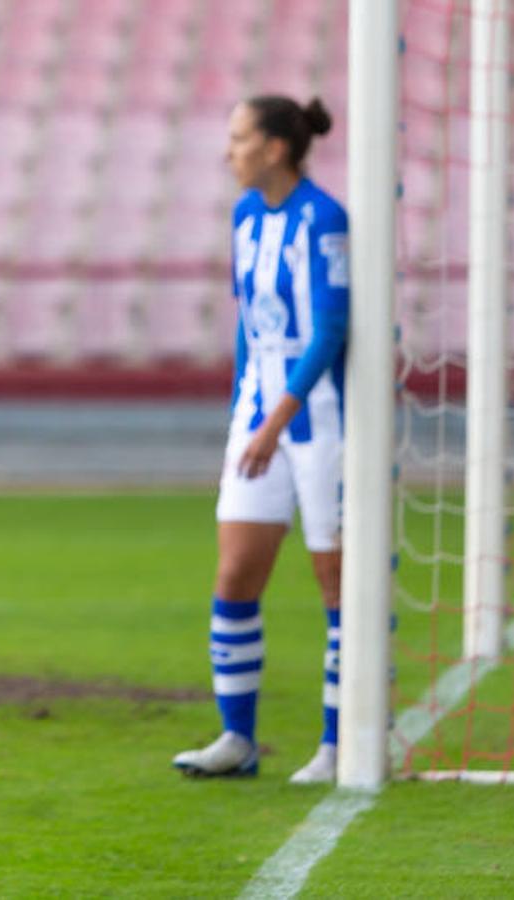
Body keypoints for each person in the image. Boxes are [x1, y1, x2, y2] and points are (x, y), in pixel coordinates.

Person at [172, 96, 349, 783]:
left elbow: (331, 329)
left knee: (335, 581)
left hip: (320, 421)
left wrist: (277, 420)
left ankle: (341, 742)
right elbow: (251, 325)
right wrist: (248, 413)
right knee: (236, 574)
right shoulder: (245, 217)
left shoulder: (324, 219)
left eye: (239, 138)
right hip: (257, 423)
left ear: (275, 148)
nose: (228, 152)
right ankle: (237, 740)